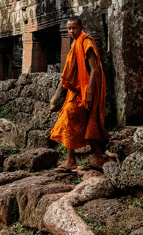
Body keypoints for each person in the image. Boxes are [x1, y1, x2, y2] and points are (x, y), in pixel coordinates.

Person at [50, 16, 110, 173]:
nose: (71, 31)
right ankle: (92, 159)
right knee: (77, 121)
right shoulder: (76, 43)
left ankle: (77, 160)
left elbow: (95, 69)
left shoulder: (86, 42)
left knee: (77, 119)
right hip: (77, 90)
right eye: (69, 29)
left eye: (74, 28)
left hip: (87, 90)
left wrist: (89, 93)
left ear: (81, 27)